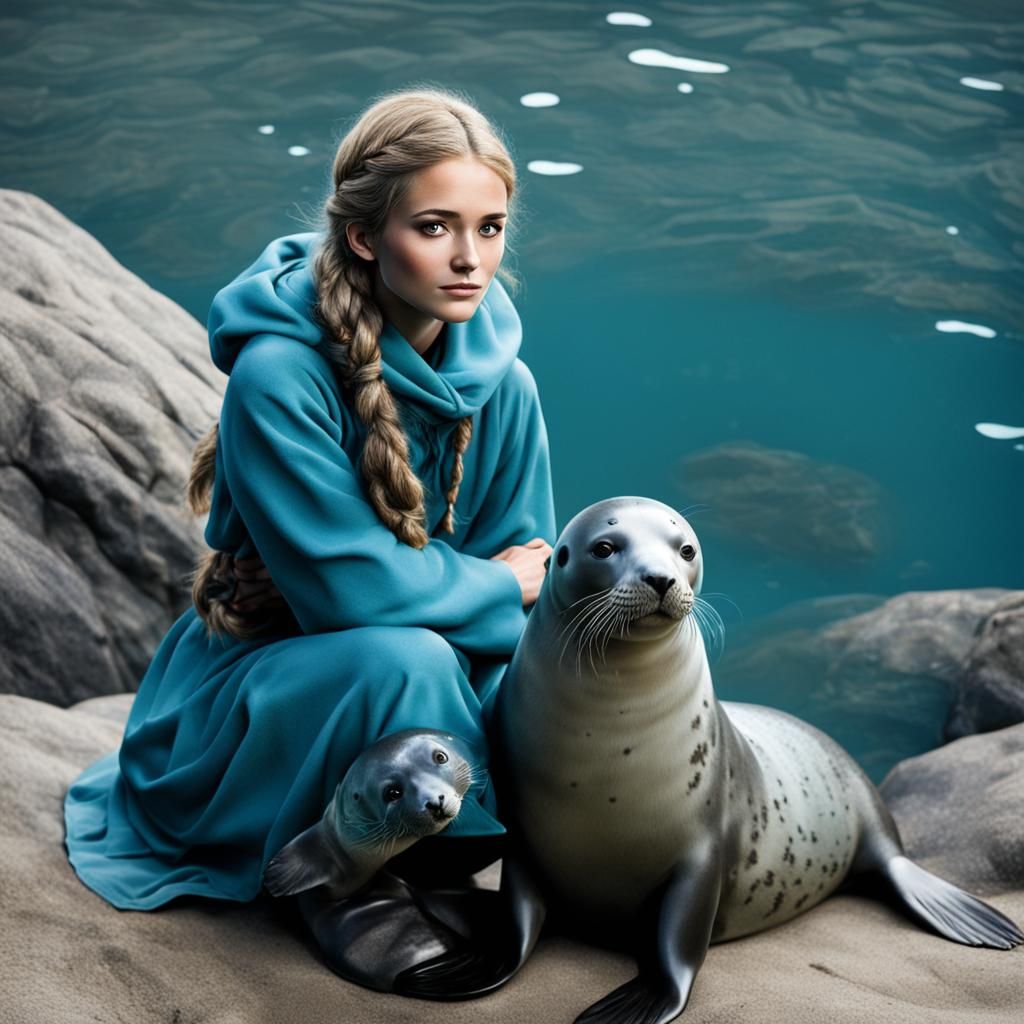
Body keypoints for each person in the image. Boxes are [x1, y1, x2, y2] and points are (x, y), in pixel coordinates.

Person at [63, 86, 556, 948]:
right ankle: (341, 875)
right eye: (434, 226)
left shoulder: (506, 384)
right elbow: (350, 595)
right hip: (277, 680)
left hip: (437, 672)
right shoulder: (279, 377)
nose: (469, 258)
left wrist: (518, 619)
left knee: (583, 660)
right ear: (365, 235)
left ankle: (471, 841)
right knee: (399, 660)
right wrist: (490, 584)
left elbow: (530, 578)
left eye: (490, 227)